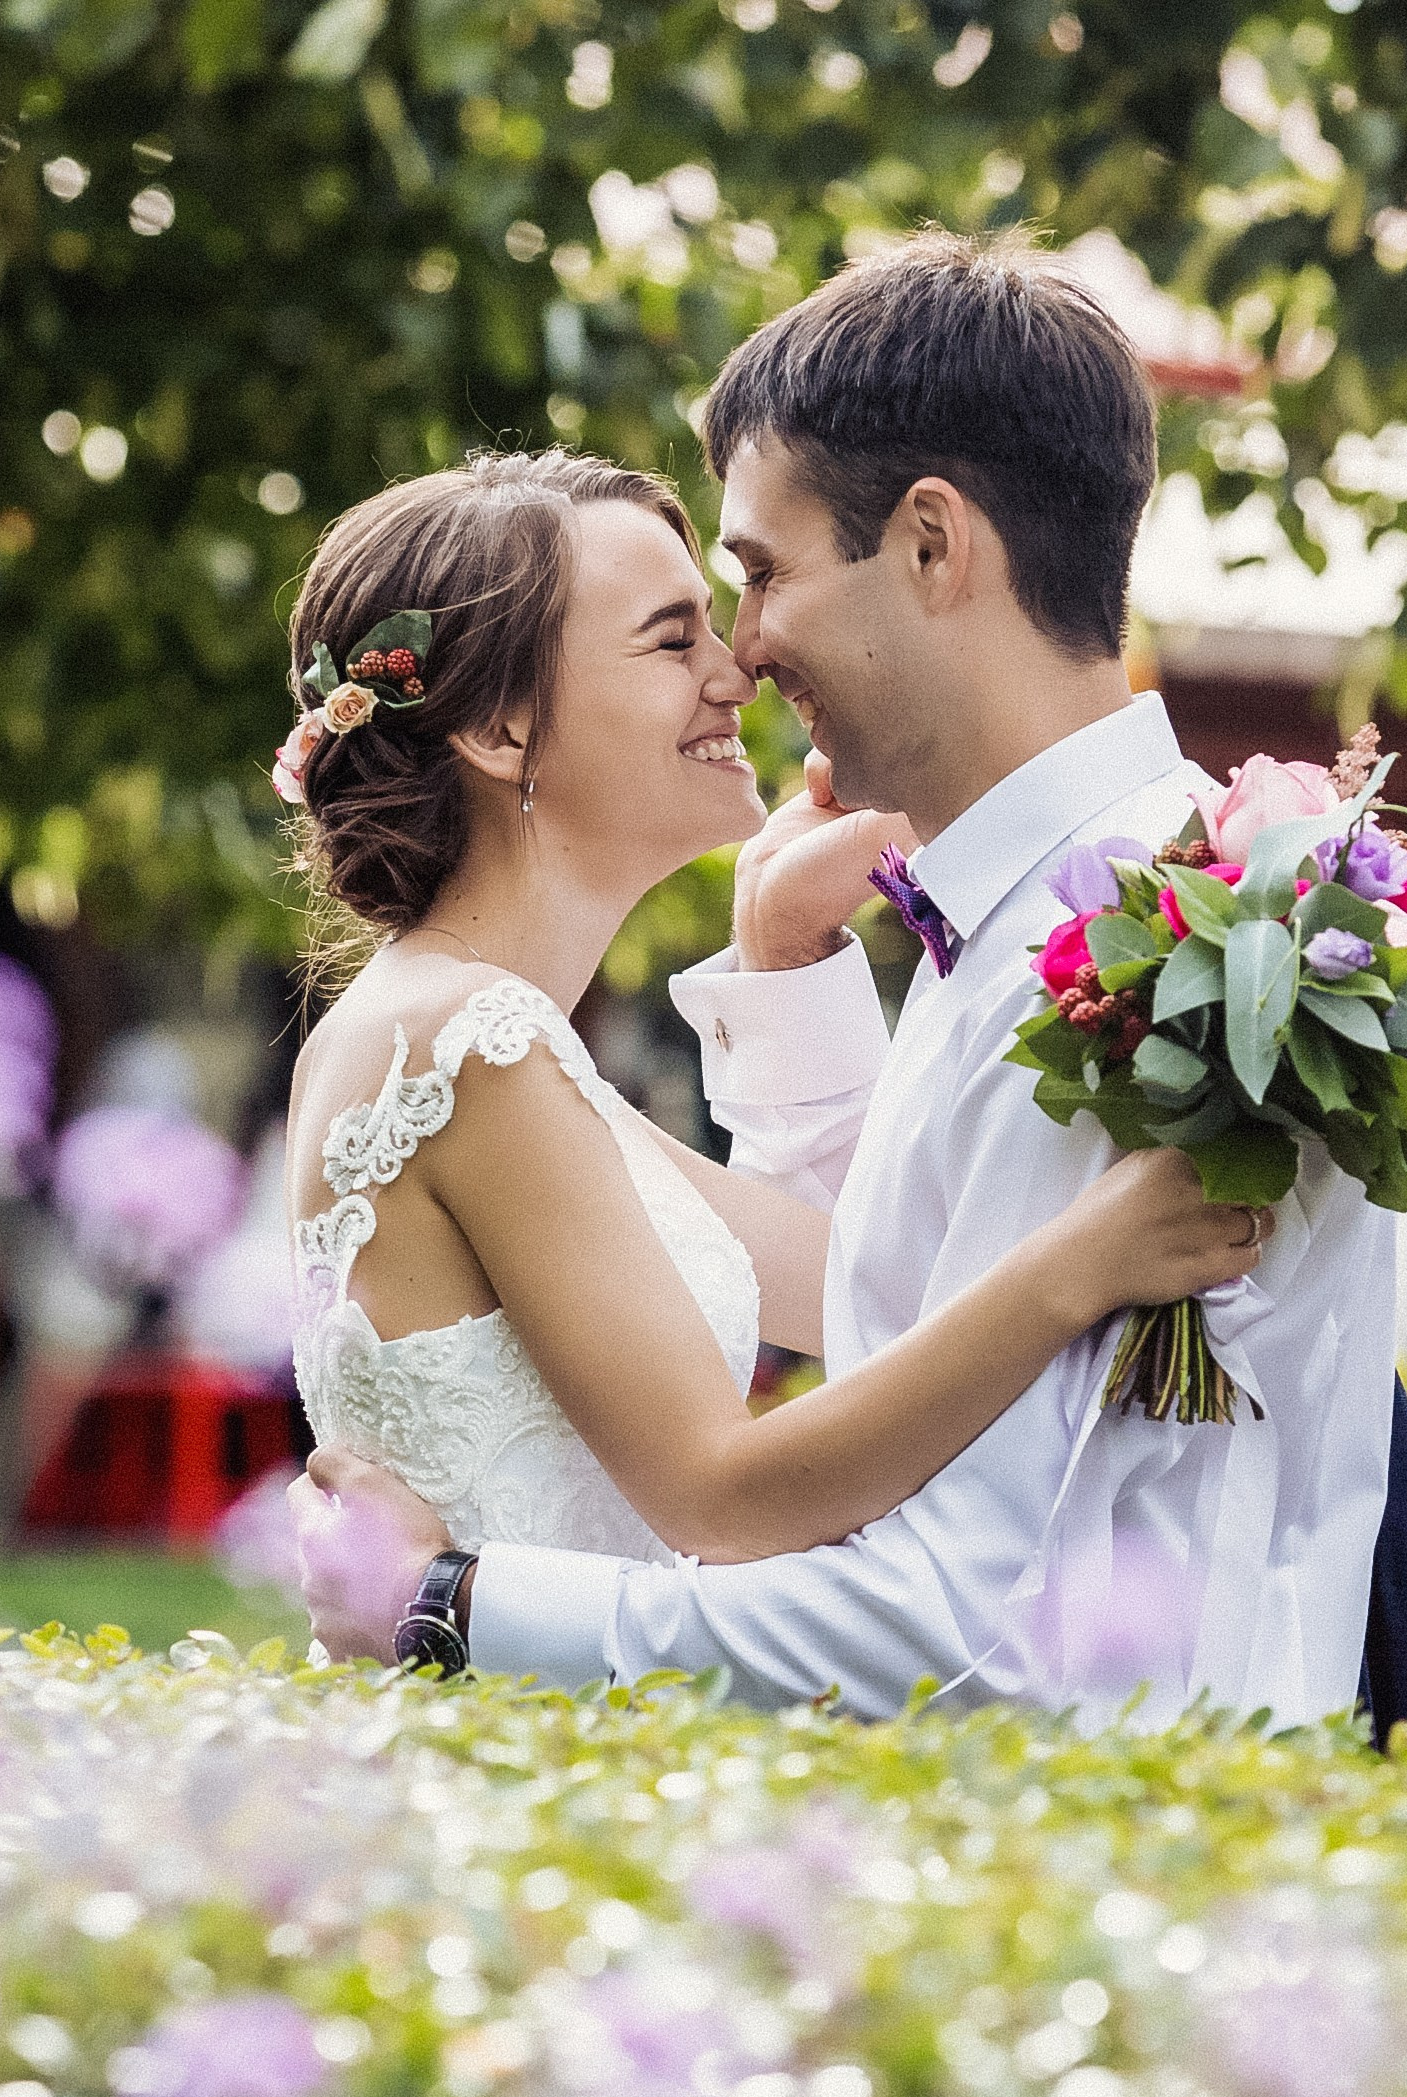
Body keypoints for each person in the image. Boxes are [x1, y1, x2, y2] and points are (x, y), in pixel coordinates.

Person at [299, 235, 1407, 1737]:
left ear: (931, 545)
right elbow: (905, 1343)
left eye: (762, 573)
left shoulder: (1166, 969)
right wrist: (786, 986)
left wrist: (454, 1609)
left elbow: (977, 1630)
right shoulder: (1036, 934)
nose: (746, 652)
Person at [281, 444, 1270, 1624]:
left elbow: (871, 1285)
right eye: (671, 638)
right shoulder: (469, 1045)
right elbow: (725, 1498)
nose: (740, 667)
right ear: (500, 728)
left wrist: (783, 955)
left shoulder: (467, 1036)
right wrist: (1079, 1266)